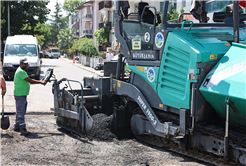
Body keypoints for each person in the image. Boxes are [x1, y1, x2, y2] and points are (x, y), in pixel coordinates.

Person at [13, 57, 46, 135]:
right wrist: (40, 82)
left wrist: (40, 81)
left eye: (27, 63)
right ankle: (22, 128)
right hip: (20, 94)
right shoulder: (21, 71)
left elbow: (29, 80)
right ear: (21, 64)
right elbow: (30, 81)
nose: (27, 65)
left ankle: (17, 126)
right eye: (25, 64)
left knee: (21, 110)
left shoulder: (22, 70)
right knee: (21, 111)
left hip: (21, 94)